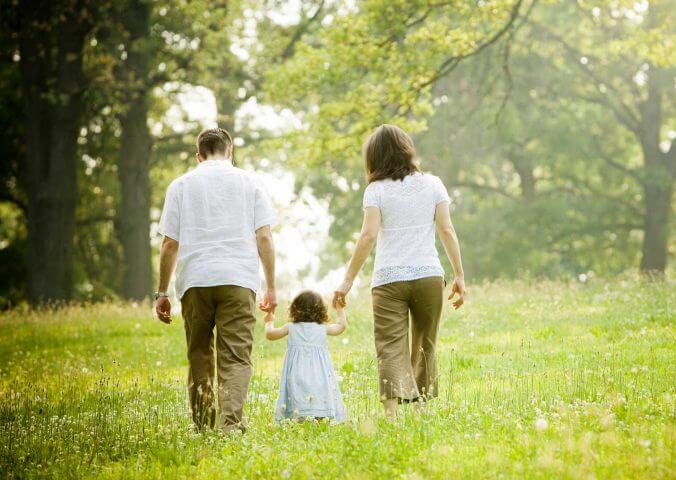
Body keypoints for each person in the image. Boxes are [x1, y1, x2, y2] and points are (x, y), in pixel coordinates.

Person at [333, 124, 466, 419]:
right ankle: (420, 409)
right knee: (425, 342)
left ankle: (391, 413)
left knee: (390, 344)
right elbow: (446, 229)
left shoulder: (376, 191)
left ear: (374, 158)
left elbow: (367, 236)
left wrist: (347, 281)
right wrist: (459, 276)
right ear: (407, 149)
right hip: (428, 275)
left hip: (389, 279)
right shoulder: (433, 184)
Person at [154, 127, 278, 433]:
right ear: (229, 151)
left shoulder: (180, 186)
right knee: (235, 356)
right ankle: (231, 425)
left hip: (195, 280)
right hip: (238, 279)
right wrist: (271, 286)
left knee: (199, 354)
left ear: (198, 155)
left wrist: (161, 292)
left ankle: (203, 425)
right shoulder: (250, 182)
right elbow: (263, 236)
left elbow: (170, 243)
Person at [264, 290, 348, 423]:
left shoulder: (290, 327)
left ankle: (298, 420)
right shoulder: (322, 328)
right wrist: (339, 308)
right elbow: (341, 326)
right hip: (319, 374)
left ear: (294, 309)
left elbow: (270, 334)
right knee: (318, 396)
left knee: (297, 395)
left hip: (296, 373)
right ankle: (318, 419)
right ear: (321, 309)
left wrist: (269, 320)